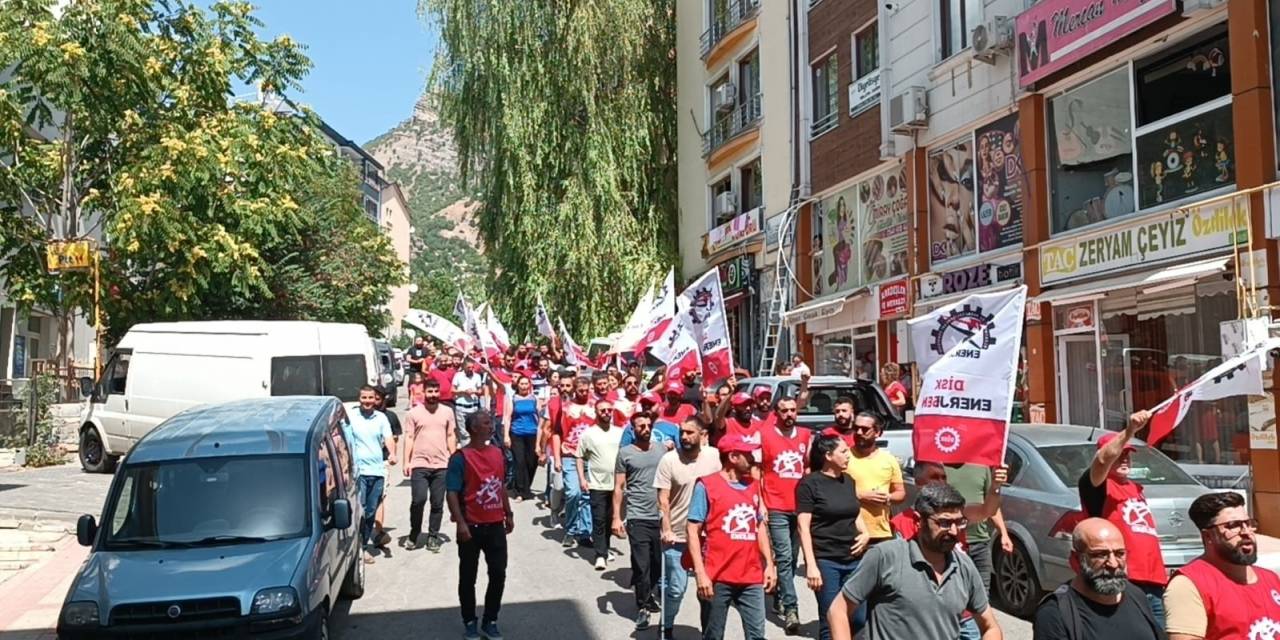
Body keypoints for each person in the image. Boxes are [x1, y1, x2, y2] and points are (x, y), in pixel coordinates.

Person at [827, 483, 1003, 640]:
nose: (954, 531)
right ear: (919, 521)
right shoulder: (885, 556)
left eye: (959, 522)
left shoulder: (964, 566)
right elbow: (838, 611)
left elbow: (990, 627)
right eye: (944, 523)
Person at [897, 462, 1006, 640]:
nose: (941, 482)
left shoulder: (959, 514)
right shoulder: (900, 524)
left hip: (964, 616)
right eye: (934, 477)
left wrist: (995, 487)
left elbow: (987, 510)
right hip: (925, 620)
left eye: (944, 477)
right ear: (918, 482)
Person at [1079, 410, 1167, 625]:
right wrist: (1129, 431)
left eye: (1128, 453)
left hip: (1154, 581)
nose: (1125, 457)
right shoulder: (1098, 486)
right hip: (1123, 578)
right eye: (1120, 453)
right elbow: (1101, 460)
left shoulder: (1135, 488)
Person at [687, 434, 778, 640]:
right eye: (748, 454)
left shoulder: (754, 486)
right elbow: (692, 530)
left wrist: (770, 565)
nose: (753, 458)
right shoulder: (706, 486)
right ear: (733, 457)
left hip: (751, 575)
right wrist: (700, 573)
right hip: (717, 576)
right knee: (713, 635)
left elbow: (760, 527)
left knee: (757, 635)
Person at [1164, 491, 1280, 640]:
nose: (1246, 532)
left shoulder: (1271, 579)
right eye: (1233, 526)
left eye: (1248, 523)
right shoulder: (1188, 584)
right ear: (1208, 536)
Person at [1032, 518, 1165, 640]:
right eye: (1100, 555)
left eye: (1119, 554)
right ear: (1076, 559)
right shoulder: (1055, 614)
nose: (1113, 564)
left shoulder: (1136, 596)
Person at [446, 410, 513, 640]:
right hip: (471, 527)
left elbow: (500, 485)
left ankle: (490, 619)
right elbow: (452, 492)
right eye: (486, 423)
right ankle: (469, 621)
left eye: (491, 422)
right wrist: (461, 523)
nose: (491, 426)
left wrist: (508, 513)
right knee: (468, 577)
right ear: (473, 428)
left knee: (498, 573)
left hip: (495, 525)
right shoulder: (460, 457)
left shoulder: (497, 453)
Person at [655, 416, 722, 640]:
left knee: (708, 590)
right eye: (682, 432)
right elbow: (663, 499)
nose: (684, 436)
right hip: (678, 535)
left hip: (707, 537)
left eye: (689, 432)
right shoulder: (669, 460)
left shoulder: (713, 456)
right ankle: (666, 626)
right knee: (676, 588)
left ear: (702, 435)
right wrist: (666, 529)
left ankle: (709, 633)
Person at [797, 434, 870, 640]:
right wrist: (811, 565)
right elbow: (803, 527)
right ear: (828, 455)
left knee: (858, 618)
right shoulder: (809, 484)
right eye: (843, 451)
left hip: (854, 560)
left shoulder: (849, 481)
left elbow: (854, 512)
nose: (849, 455)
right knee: (831, 619)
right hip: (827, 561)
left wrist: (865, 533)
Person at [758, 396, 811, 633]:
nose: (789, 414)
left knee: (791, 555)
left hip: (799, 507)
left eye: (792, 410)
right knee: (785, 557)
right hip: (776, 504)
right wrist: (761, 504)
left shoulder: (805, 436)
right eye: (784, 411)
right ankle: (791, 609)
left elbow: (808, 467)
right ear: (776, 413)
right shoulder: (766, 435)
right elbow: (758, 471)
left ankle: (781, 591)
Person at [613, 411, 667, 630]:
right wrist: (616, 517)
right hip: (636, 516)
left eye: (647, 425)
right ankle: (643, 606)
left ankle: (647, 591)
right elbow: (618, 487)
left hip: (660, 517)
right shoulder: (625, 454)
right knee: (642, 564)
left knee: (656, 564)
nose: (645, 429)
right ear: (632, 429)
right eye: (640, 426)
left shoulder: (662, 450)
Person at [402, 378, 457, 552]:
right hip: (419, 463)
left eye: (435, 392)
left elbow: (450, 436)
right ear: (423, 392)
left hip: (441, 464)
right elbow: (409, 438)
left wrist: (454, 458)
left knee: (437, 503)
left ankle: (433, 536)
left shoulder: (448, 412)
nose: (433, 395)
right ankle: (414, 532)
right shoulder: (413, 413)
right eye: (429, 392)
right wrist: (406, 461)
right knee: (418, 500)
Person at [946, 459, 1014, 598]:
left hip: (980, 542)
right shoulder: (940, 466)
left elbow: (991, 506)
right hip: (952, 544)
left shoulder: (982, 466)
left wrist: (1004, 533)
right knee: (955, 596)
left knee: (982, 596)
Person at [345, 385, 396, 562]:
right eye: (364, 398)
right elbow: (343, 439)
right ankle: (359, 547)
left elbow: (388, 438)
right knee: (361, 509)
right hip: (359, 472)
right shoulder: (351, 417)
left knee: (371, 511)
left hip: (377, 470)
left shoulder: (381, 418)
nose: (367, 401)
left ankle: (363, 543)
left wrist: (393, 453)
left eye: (370, 398)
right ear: (359, 399)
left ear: (376, 399)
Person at [578, 398, 624, 570]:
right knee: (598, 520)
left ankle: (605, 547)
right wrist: (582, 479)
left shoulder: (620, 433)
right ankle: (600, 555)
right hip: (597, 484)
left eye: (609, 410)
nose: (606, 413)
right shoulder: (588, 434)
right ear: (596, 412)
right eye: (602, 410)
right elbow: (579, 457)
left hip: (617, 485)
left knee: (610, 519)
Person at [845, 412, 905, 546]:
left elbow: (900, 493)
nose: (859, 432)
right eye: (856, 428)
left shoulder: (889, 460)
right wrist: (860, 495)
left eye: (865, 429)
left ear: (877, 432)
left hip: (881, 533)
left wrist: (887, 497)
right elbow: (830, 489)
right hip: (851, 532)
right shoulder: (844, 457)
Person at [553, 376, 597, 547]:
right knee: (573, 493)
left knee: (587, 494)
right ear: (574, 390)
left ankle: (584, 532)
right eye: (580, 391)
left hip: (590, 456)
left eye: (587, 391)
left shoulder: (595, 407)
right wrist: (557, 458)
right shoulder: (565, 408)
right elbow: (556, 432)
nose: (584, 394)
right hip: (569, 455)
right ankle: (570, 529)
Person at [372, 385, 402, 549]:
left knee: (380, 496)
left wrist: (392, 454)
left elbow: (395, 438)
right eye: (371, 398)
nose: (374, 402)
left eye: (377, 398)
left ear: (384, 400)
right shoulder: (359, 416)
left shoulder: (390, 417)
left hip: (382, 461)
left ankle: (378, 532)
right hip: (363, 463)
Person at [505, 375, 541, 502]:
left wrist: (540, 439)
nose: (524, 386)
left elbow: (541, 418)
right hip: (517, 433)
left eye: (527, 384)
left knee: (532, 462)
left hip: (532, 433)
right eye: (522, 384)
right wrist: (506, 436)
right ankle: (520, 491)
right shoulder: (513, 399)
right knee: (519, 462)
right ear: (518, 385)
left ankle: (527, 487)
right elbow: (508, 418)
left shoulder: (534, 399)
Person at [454, 358, 487, 442]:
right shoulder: (458, 375)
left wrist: (474, 391)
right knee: (463, 432)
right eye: (469, 367)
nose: (471, 369)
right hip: (461, 407)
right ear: (464, 367)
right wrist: (463, 391)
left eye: (472, 367)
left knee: (473, 428)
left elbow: (480, 391)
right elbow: (452, 390)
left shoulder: (477, 376)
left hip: (473, 407)